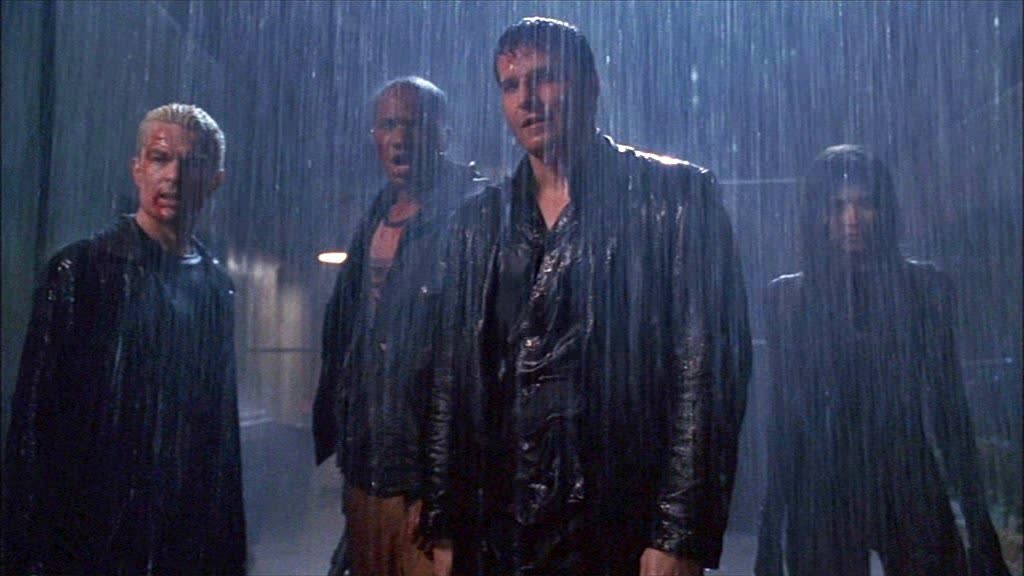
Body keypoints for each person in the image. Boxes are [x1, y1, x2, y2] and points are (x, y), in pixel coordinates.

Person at [421, 18, 751, 576]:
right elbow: (451, 380)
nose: (527, 99)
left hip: (619, 521)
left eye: (545, 77)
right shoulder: (478, 223)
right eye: (510, 84)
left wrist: (679, 534)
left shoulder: (674, 197)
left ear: (591, 85)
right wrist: (443, 519)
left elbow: (708, 373)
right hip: (500, 524)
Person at [1, 103, 246, 574]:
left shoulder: (215, 286)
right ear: (138, 169)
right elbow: (34, 421)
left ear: (215, 180)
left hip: (181, 531)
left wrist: (226, 548)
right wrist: (25, 551)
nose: (173, 176)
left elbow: (220, 432)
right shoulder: (81, 271)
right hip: (92, 528)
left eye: (191, 163)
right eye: (160, 158)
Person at [754, 145, 1010, 576]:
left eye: (864, 204)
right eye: (838, 206)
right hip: (824, 490)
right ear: (819, 215)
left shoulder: (925, 289)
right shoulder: (788, 299)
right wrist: (769, 534)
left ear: (883, 210)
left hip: (907, 477)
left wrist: (980, 527)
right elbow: (784, 418)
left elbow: (949, 410)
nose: (852, 219)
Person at [313, 77, 486, 576]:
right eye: (389, 125)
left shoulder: (473, 215)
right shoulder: (375, 215)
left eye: (414, 124)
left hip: (425, 483)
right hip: (366, 468)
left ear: (442, 134)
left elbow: (475, 364)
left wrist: (444, 486)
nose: (400, 138)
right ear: (374, 135)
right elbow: (353, 338)